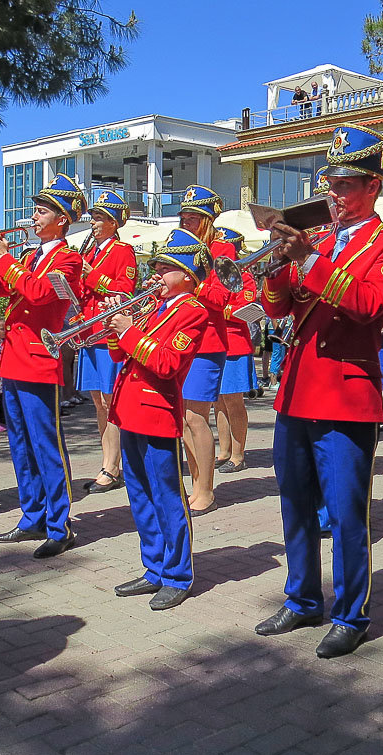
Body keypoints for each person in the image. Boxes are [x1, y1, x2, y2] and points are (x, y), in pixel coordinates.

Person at [256, 124, 383, 658]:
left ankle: (351, 612)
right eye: (330, 182)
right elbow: (278, 309)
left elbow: (370, 306)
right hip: (296, 390)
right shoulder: (319, 240)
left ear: (373, 186)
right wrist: (277, 263)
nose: (334, 194)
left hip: (346, 393)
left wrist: (306, 260)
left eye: (346, 184)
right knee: (295, 504)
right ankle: (302, 598)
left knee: (348, 513)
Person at [105, 229, 211, 610]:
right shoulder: (154, 308)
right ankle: (154, 568)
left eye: (166, 268)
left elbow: (166, 364)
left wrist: (129, 331)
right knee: (139, 496)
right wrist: (117, 329)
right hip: (129, 409)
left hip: (156, 413)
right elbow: (123, 356)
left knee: (167, 497)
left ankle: (179, 574)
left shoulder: (194, 312)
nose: (157, 275)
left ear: (187, 275)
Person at [0, 175, 83, 558]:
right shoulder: (28, 258)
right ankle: (32, 517)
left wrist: (6, 260)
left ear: (62, 219)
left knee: (46, 444)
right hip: (12, 357)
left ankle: (60, 525)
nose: (34, 217)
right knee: (20, 444)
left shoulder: (69, 259)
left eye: (41, 211)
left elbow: (41, 294)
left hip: (39, 358)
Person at [176, 185, 233, 515]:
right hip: (180, 338)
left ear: (208, 219)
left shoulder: (222, 248)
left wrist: (190, 282)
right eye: (184, 216)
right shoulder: (181, 247)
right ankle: (196, 482)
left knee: (195, 417)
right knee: (184, 418)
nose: (186, 222)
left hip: (208, 341)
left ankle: (205, 490)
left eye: (194, 217)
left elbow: (221, 297)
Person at [76, 190, 136, 493]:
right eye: (94, 217)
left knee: (112, 401)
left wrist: (92, 275)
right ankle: (107, 461)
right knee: (98, 402)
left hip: (107, 333)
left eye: (100, 218)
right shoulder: (89, 252)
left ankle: (115, 466)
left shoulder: (122, 251)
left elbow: (125, 291)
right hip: (88, 333)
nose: (94, 223)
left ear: (114, 223)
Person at [214, 226, 258, 473]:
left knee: (233, 401)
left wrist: (216, 309)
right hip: (216, 343)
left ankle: (238, 455)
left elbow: (246, 307)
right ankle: (224, 450)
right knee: (218, 400)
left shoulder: (245, 274)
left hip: (234, 344)